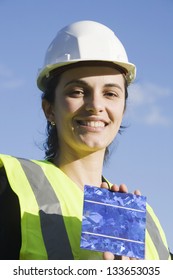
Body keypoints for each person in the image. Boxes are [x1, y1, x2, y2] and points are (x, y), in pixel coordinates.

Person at [0, 20, 171, 260]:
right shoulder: (11, 184)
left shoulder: (146, 223)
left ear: (123, 109)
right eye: (77, 92)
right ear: (49, 109)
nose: (96, 106)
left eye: (110, 94)